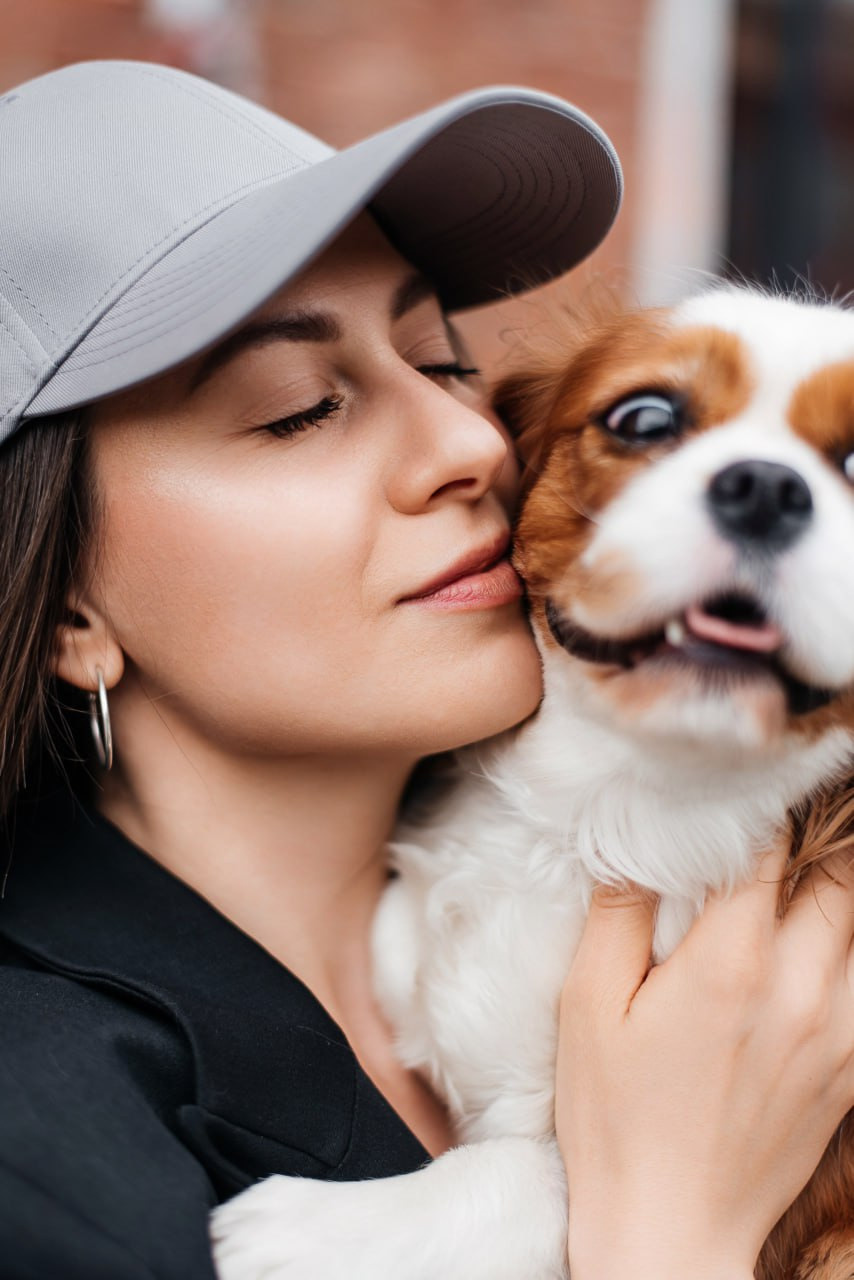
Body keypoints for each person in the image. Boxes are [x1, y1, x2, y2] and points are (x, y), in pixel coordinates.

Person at [0, 57, 851, 1280]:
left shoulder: (739, 933)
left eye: (442, 361)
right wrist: (666, 1232)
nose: (473, 439)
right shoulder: (41, 1157)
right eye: (298, 406)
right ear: (65, 609)